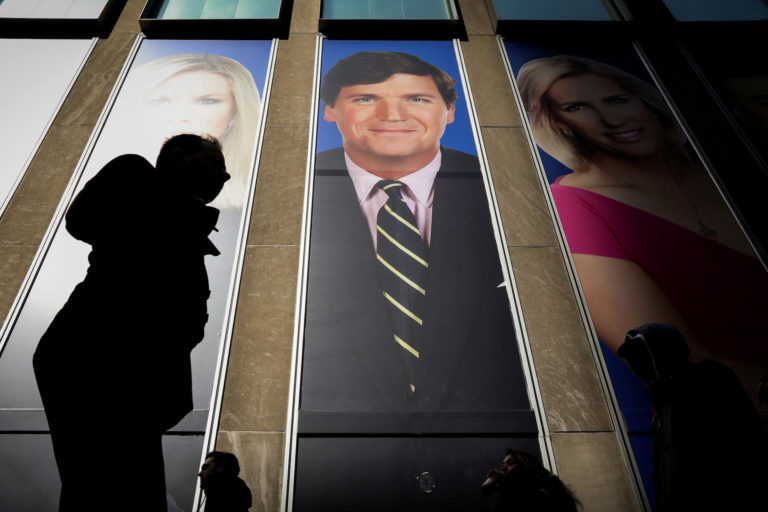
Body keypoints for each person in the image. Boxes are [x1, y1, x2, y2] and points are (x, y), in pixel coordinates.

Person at [517, 55, 768, 410]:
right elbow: (680, 365)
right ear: (560, 124)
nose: (612, 119)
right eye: (578, 107)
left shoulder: (734, 174)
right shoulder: (572, 205)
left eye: (617, 100)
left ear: (646, 102)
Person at [301, 51, 531, 417]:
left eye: (416, 99)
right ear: (329, 110)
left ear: (450, 112)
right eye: (366, 98)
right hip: (333, 437)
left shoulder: (513, 187)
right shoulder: (289, 188)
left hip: (492, 430)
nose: (392, 115)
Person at [32, 134, 230, 512]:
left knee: (112, 484)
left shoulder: (187, 224)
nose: (223, 177)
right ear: (179, 156)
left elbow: (187, 313)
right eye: (214, 164)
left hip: (130, 372)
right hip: (96, 357)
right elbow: (82, 222)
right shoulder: (136, 176)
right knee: (105, 482)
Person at [118, 52, 261, 210]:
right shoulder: (126, 173)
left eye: (206, 101)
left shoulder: (246, 192)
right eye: (160, 101)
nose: (181, 116)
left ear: (237, 110)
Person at [481, 449, 580, 511]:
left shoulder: (547, 489)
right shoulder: (519, 495)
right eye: (503, 464)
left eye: (510, 463)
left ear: (525, 466)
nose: (503, 468)